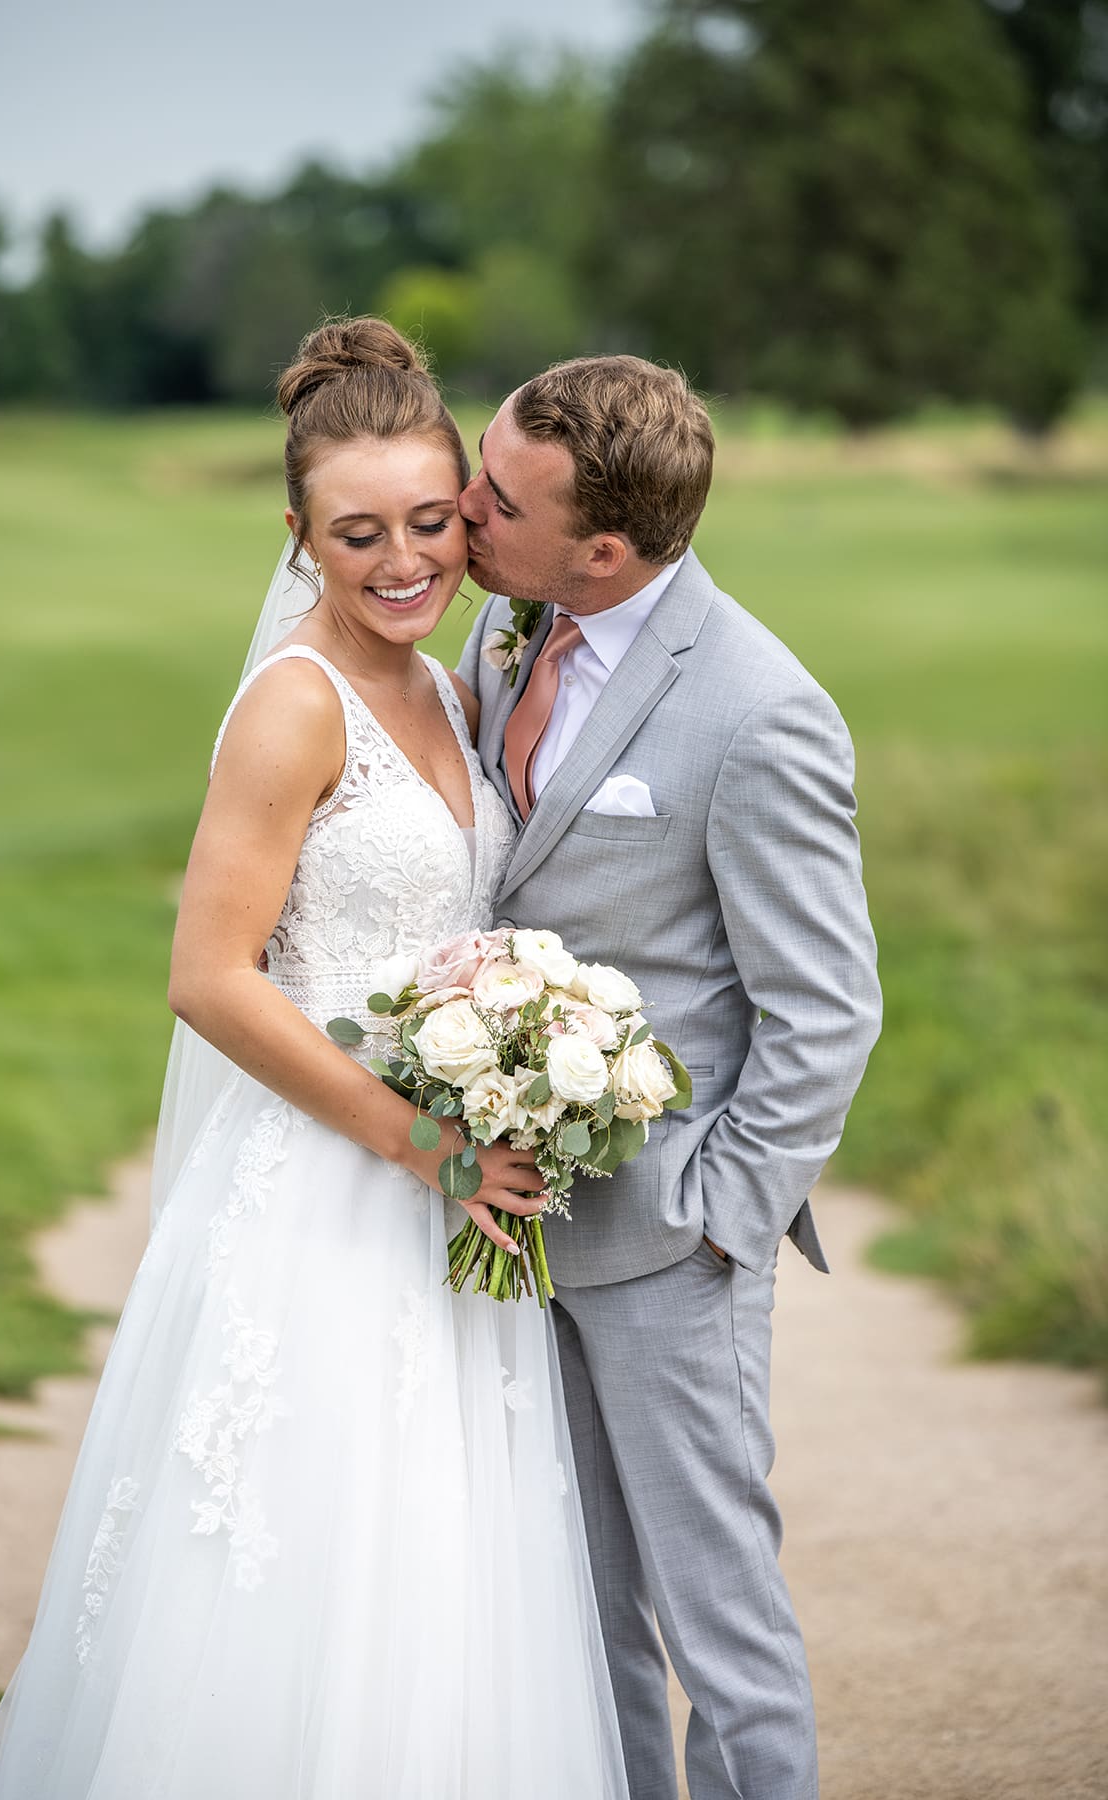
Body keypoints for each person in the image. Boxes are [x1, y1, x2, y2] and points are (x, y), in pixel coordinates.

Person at [0, 320, 629, 1800]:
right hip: (329, 1203)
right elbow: (211, 979)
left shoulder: (452, 687)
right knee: (312, 1561)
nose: (404, 562)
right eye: (359, 533)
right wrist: (421, 1142)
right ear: (299, 536)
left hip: (453, 1202)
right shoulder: (293, 706)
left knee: (446, 1565)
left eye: (433, 523)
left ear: (471, 507)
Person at [457, 354, 882, 1800]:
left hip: (671, 1243)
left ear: (608, 547)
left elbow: (827, 1010)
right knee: (582, 1616)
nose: (462, 510)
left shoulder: (761, 711)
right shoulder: (508, 634)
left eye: (500, 500)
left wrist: (721, 1213)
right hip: (517, 1227)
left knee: (720, 1623)